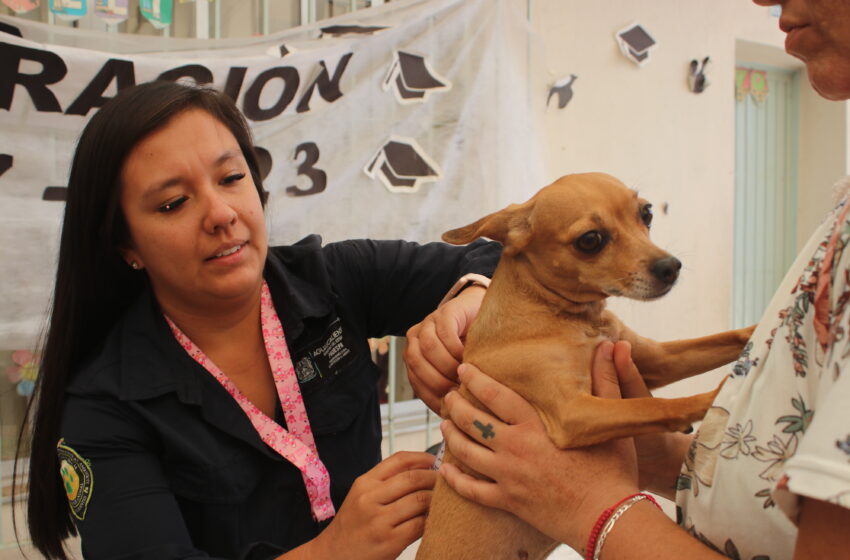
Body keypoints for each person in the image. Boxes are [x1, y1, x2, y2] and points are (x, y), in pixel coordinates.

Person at [406, 0, 850, 558]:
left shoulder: (586, 313)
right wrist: (705, 408)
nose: (651, 254)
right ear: (515, 240)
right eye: (593, 242)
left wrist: (755, 340)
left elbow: (655, 364)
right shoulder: (526, 341)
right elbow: (571, 423)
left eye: (643, 217)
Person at [15, 80, 500, 560]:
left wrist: (472, 297)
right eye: (173, 203)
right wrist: (334, 552)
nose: (222, 214)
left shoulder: (335, 279)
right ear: (127, 247)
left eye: (230, 178)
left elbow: (519, 263)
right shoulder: (103, 405)